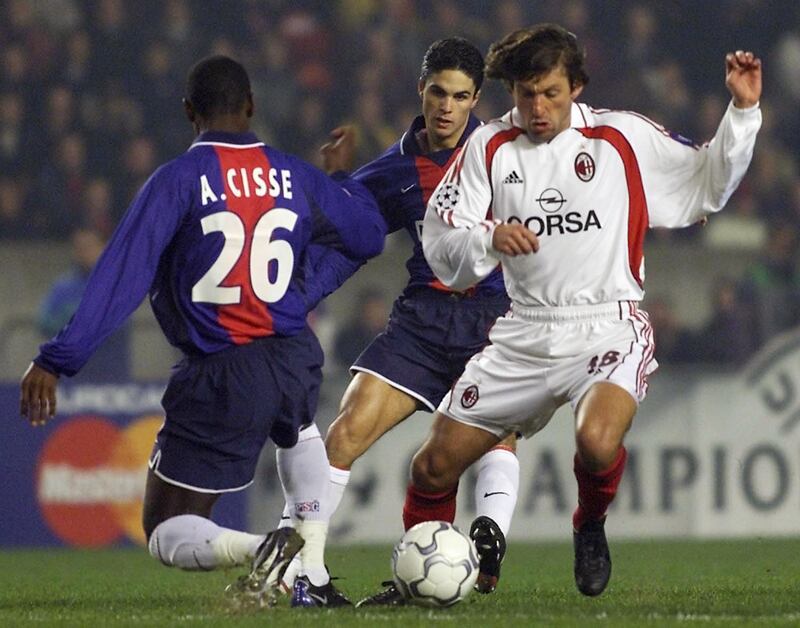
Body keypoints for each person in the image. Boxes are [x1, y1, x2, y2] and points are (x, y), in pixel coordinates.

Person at [19, 55, 386, 608]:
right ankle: (311, 574)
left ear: (189, 111)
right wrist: (335, 185)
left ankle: (265, 549)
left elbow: (121, 276)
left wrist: (57, 357)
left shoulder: (178, 181)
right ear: (251, 106)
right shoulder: (295, 174)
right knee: (298, 430)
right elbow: (368, 235)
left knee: (165, 526)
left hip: (222, 365)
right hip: (293, 355)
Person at [413, 24, 761, 597]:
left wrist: (742, 114)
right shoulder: (489, 147)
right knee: (431, 468)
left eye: (550, 93)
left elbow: (706, 183)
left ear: (575, 87)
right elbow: (441, 238)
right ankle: (416, 580)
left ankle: (590, 524)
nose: (537, 108)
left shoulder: (620, 138)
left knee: (597, 441)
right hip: (525, 331)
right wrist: (488, 238)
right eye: (526, 94)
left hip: (607, 325)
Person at [277, 38, 520, 605]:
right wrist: (336, 191)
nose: (446, 107)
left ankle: (490, 535)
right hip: (422, 321)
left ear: (475, 99)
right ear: (421, 90)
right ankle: (296, 569)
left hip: (496, 320)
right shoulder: (393, 170)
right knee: (344, 434)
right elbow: (349, 237)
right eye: (438, 92)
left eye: (459, 96)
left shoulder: (506, 152)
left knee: (490, 434)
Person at [36, 226, 130, 382]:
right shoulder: (63, 287)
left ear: (103, 247)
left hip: (110, 372)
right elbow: (44, 321)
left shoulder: (116, 284)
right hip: (69, 374)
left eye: (89, 247)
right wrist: (74, 319)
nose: (84, 253)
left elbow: (122, 322)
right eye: (79, 248)